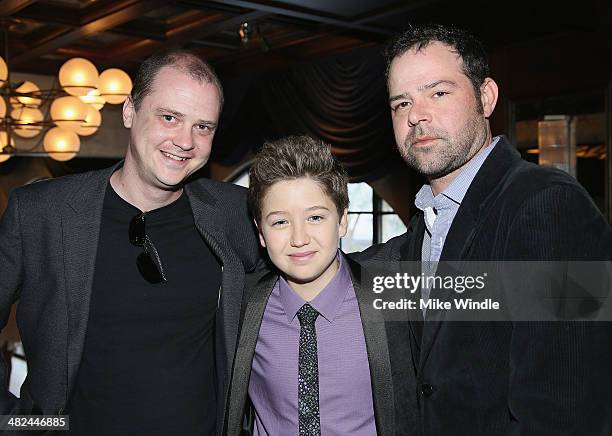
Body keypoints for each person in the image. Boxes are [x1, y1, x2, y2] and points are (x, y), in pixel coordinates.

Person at [0, 50, 260, 435]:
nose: (185, 141)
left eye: (203, 127)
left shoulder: (234, 211)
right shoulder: (40, 212)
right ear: (129, 112)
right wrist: (21, 424)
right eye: (169, 117)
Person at [370, 23, 612, 435]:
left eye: (438, 92)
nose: (416, 116)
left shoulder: (550, 204)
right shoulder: (420, 233)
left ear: (486, 97)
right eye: (401, 103)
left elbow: (570, 405)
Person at [225, 135, 404, 436]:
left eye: (316, 217)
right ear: (260, 233)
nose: (299, 238)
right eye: (280, 222)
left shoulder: (394, 297)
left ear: (343, 220)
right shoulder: (239, 305)